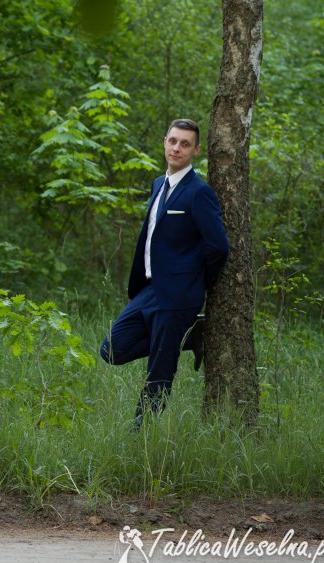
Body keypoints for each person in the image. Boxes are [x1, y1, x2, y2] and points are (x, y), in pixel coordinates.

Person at [99, 119, 229, 429]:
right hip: (150, 290)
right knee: (112, 349)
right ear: (164, 143)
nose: (177, 148)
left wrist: (195, 280)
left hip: (178, 297)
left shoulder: (199, 193)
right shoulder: (159, 184)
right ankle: (189, 337)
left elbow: (219, 247)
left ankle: (140, 436)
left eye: (185, 144)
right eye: (173, 141)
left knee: (159, 370)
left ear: (196, 150)